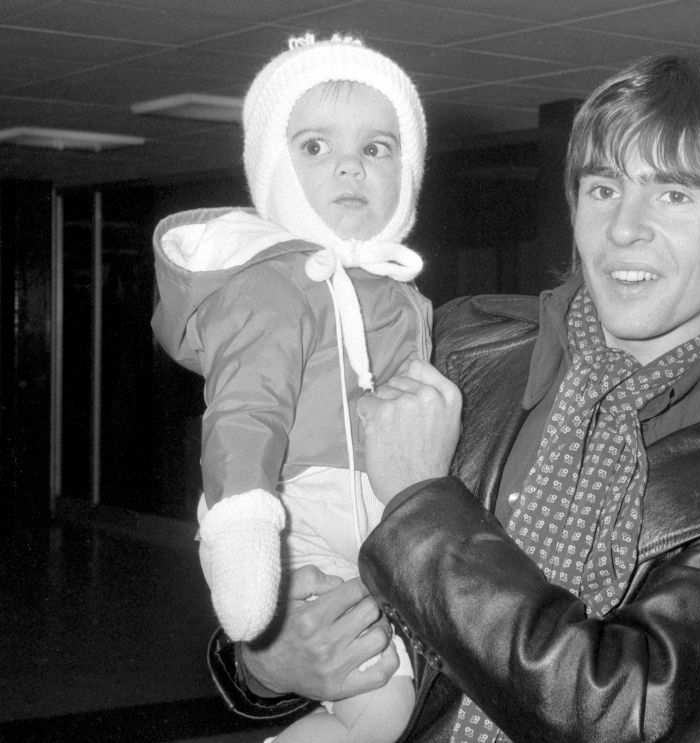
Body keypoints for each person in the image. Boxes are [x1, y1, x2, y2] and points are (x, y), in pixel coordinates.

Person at [204, 54, 700, 742]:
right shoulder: (452, 347)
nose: (624, 228)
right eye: (604, 187)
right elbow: (304, 527)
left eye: (674, 194)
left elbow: (622, 715)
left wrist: (420, 499)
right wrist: (268, 660)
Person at [151, 33, 431, 743]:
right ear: (273, 170)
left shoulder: (403, 294)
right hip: (295, 507)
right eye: (313, 146)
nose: (349, 164)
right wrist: (244, 535)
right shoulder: (277, 286)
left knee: (384, 706)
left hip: (372, 523)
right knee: (381, 702)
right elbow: (245, 415)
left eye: (377, 147)